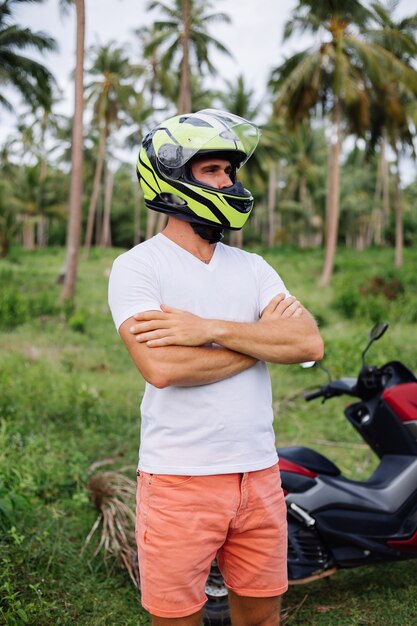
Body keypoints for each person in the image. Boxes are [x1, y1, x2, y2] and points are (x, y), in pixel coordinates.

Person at [108, 109, 324, 626]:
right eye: (212, 170)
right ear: (173, 179)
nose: (228, 181)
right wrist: (262, 342)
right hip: (180, 480)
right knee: (177, 618)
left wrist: (210, 329)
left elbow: (307, 340)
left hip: (259, 475)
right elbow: (161, 366)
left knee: (261, 620)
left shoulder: (253, 267)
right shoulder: (139, 266)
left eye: (230, 171)